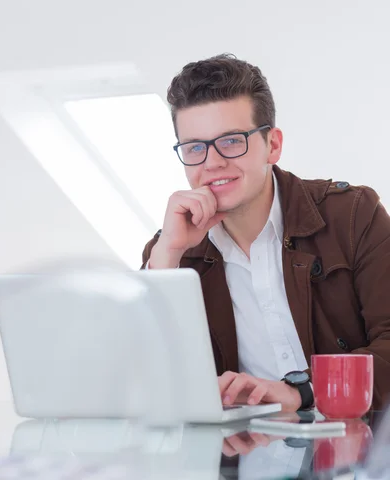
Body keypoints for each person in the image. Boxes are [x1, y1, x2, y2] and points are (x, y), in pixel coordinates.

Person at [142, 54, 390, 411]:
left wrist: (302, 392)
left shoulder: (351, 215)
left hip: (359, 455)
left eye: (231, 141)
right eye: (195, 148)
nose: (212, 163)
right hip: (239, 457)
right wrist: (166, 257)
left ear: (272, 145)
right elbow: (140, 379)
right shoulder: (173, 247)